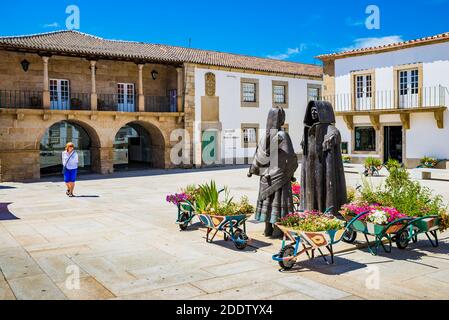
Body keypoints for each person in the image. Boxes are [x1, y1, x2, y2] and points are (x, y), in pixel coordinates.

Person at [248, 107, 298, 238]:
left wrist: (254, 170)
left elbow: (258, 156)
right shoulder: (282, 135)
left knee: (267, 203)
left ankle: (267, 229)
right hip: (279, 177)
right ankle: (277, 230)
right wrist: (291, 171)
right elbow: (290, 156)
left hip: (266, 177)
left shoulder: (265, 136)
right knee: (277, 204)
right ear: (281, 119)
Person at [300, 100, 347, 217]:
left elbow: (336, 134)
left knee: (323, 188)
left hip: (323, 167)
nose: (313, 113)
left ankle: (325, 211)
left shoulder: (330, 129)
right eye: (311, 111)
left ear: (323, 112)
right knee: (312, 191)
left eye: (316, 111)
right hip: (310, 167)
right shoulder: (307, 129)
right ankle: (311, 211)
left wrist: (332, 138)